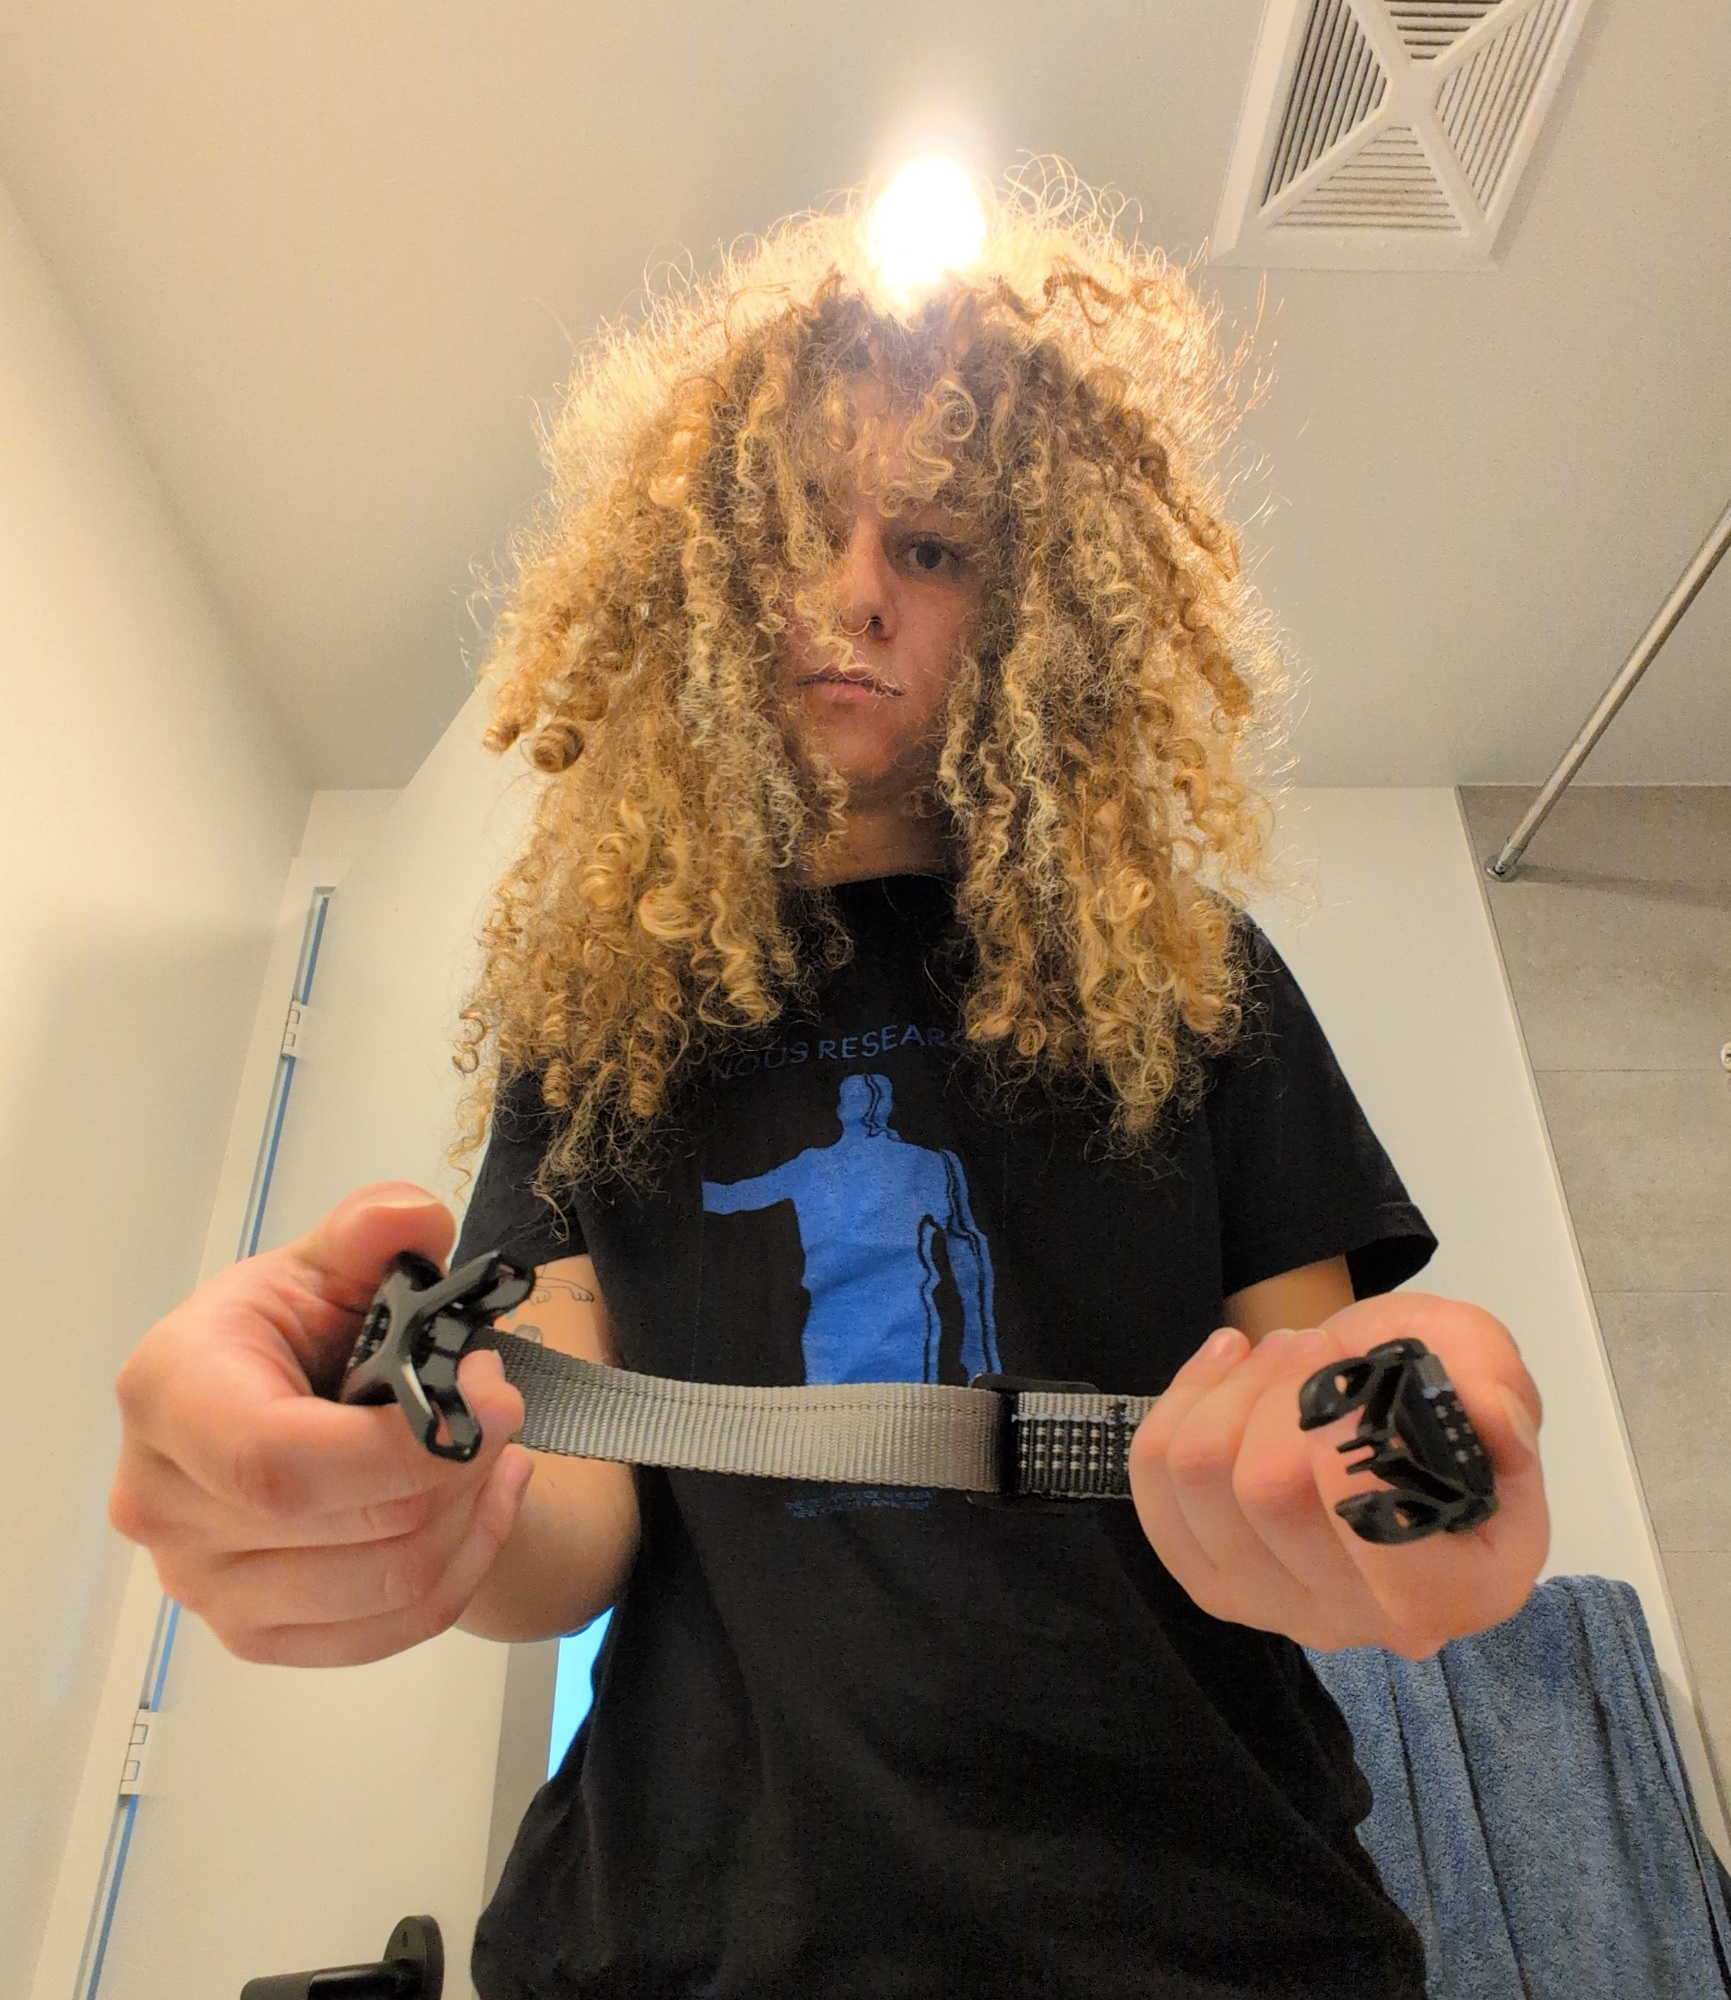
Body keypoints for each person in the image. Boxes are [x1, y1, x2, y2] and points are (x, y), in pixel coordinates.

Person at [109, 175, 1549, 1998]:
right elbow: (564, 1527)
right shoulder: (603, 1024)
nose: (855, 589)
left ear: (1032, 612)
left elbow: (1304, 1427)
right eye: (799, 529)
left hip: (1207, 1935)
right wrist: (409, 1475)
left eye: (932, 546)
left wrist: (1384, 1492)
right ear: (707, 578)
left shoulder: (1197, 980)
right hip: (681, 1942)